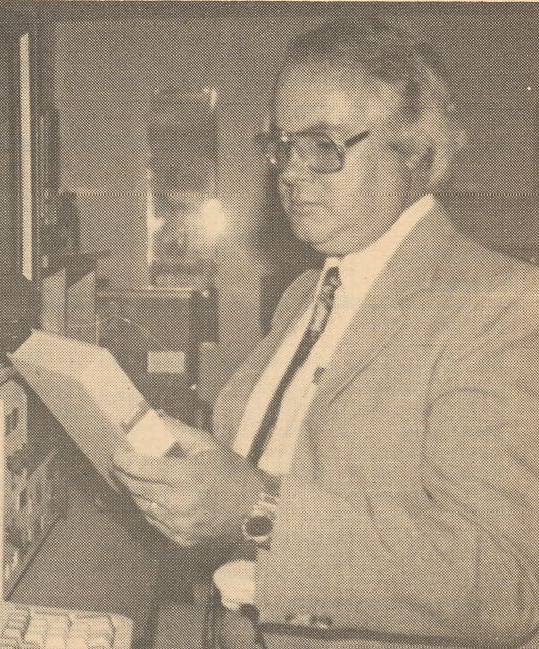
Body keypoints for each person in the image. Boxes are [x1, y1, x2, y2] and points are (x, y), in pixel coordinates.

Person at [112, 19, 539, 648]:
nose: (291, 172)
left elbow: (502, 584)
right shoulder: (304, 295)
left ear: (416, 154)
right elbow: (283, 464)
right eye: (282, 145)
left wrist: (257, 511)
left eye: (325, 146)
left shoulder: (503, 304)